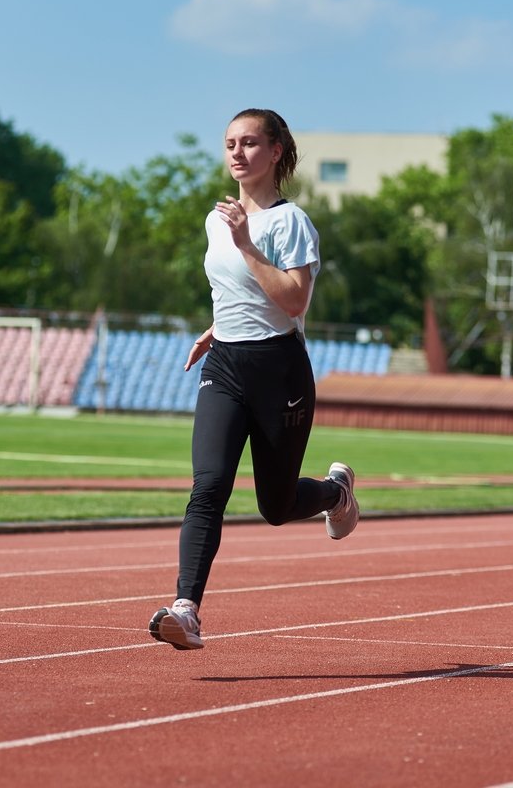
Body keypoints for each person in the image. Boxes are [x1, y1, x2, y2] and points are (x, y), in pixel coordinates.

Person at [148, 108, 360, 651]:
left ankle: (335, 493)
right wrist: (216, 327)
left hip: (279, 370)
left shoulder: (290, 223)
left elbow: (293, 300)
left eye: (249, 143)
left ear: (276, 153)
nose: (237, 154)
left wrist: (247, 243)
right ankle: (186, 610)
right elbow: (234, 290)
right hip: (226, 366)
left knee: (275, 505)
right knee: (208, 485)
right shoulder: (214, 219)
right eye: (229, 144)